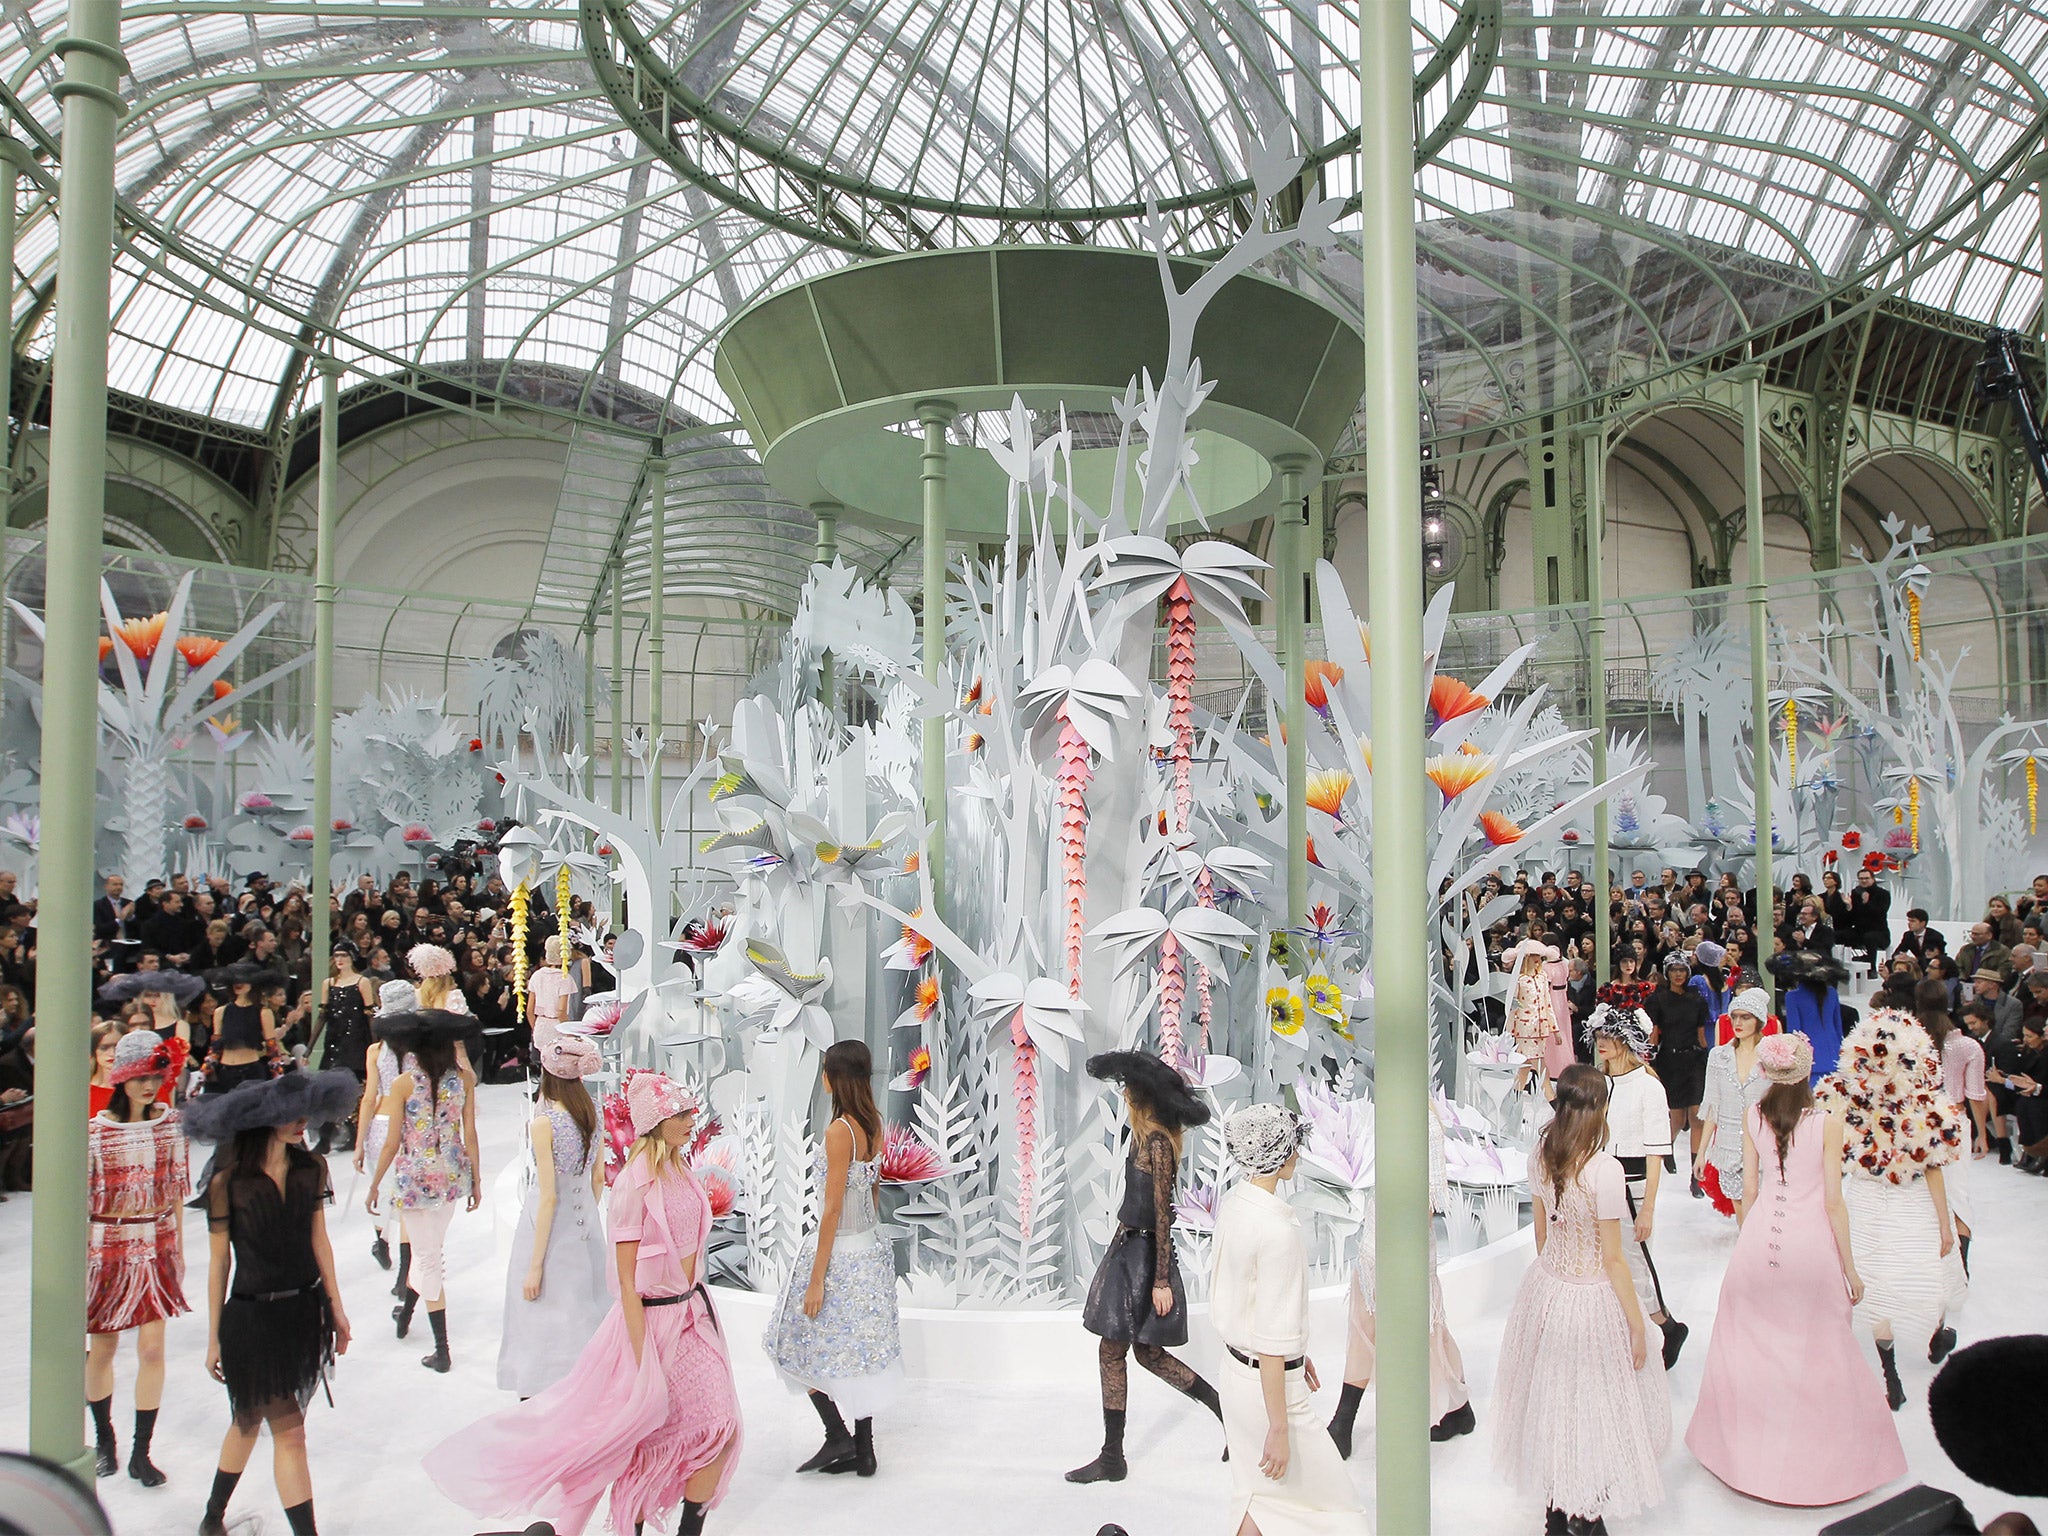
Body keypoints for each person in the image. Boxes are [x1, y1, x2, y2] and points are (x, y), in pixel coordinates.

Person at [425, 1069, 742, 1536]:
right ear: (657, 1121)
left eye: (691, 1110)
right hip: (652, 1326)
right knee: (643, 1442)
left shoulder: (680, 1168)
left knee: (721, 1426)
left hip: (694, 1318)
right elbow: (627, 1282)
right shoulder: (635, 1182)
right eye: (681, 1112)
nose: (693, 1118)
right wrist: (642, 1361)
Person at [1685, 1031, 1903, 1504]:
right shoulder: (1827, 1120)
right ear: (1808, 1071)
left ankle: (1742, 1455)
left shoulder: (1752, 1115)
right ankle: (1820, 1465)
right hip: (1810, 1243)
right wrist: (1852, 1269)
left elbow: (1747, 1191)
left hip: (1759, 1238)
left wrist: (1750, 1240)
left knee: (1751, 1346)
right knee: (1821, 1349)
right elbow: (1833, 1201)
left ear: (1765, 1071)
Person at [1492, 1064, 1669, 1536]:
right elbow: (1614, 1260)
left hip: (1547, 1289)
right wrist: (1638, 1324)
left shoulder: (1540, 1154)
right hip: (1591, 1301)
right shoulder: (1604, 1171)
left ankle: (1557, 1511)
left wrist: (1549, 1284)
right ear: (1600, 1109)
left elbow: (1542, 1233)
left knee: (1553, 1403)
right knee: (1593, 1411)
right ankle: (1584, 1516)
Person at [181, 1069, 358, 1536]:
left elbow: (320, 1242)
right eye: (290, 1115)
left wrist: (336, 1308)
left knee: (247, 1420)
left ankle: (212, 1517)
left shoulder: (311, 1168)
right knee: (288, 1429)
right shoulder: (229, 1182)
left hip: (303, 1311)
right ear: (263, 1121)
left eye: (306, 1111)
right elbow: (219, 1263)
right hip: (251, 1317)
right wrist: (213, 1338)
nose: (302, 1120)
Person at [1207, 1102, 1366, 1536]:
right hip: (1270, 1392)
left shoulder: (1236, 1205)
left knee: (1257, 1500)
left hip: (1237, 1378)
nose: (1298, 1152)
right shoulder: (1277, 1231)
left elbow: (1250, 1303)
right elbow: (1271, 1339)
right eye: (1293, 1143)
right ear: (1277, 1154)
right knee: (1340, 1512)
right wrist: (1279, 1425)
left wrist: (1295, 1350)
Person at [1067, 1050, 1223, 1484]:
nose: (1125, 1095)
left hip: (1143, 1257)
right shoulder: (1146, 1137)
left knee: (1121, 1351)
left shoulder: (1156, 1142)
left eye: (1129, 1090)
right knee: (1144, 1353)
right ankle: (1116, 1455)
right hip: (1130, 1250)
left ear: (1142, 1097)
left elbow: (1162, 1214)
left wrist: (1159, 1280)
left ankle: (1113, 1457)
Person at [766, 1039, 904, 1476]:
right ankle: (863, 1450)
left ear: (837, 1078)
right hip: (870, 1246)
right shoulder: (874, 1124)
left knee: (791, 1342)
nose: (822, 1078)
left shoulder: (838, 1132)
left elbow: (830, 1208)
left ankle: (837, 1436)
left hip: (841, 1252)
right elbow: (874, 1191)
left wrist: (816, 1278)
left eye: (826, 1070)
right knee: (860, 1352)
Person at [1817, 1010, 1967, 1411]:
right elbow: (1933, 1168)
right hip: (1909, 1198)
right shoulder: (1925, 1105)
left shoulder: (1843, 1099)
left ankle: (1891, 1375)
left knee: (1874, 1282)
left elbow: (1827, 1157)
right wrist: (1945, 1225)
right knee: (1927, 1272)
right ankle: (1935, 1335)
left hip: (1865, 1196)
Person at [1327, 1096, 1471, 1459]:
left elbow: (1429, 1197)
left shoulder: (1425, 1124)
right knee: (1365, 1325)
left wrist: (1405, 1254)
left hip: (1405, 1249)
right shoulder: (1389, 1113)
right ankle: (1343, 1423)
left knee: (1427, 1332)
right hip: (1376, 1240)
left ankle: (1456, 1408)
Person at [85, 1030, 191, 1488]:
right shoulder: (93, 1133)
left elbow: (176, 1192)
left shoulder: (171, 1124)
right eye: (142, 1076)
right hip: (105, 1243)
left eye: (157, 1075)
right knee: (103, 1349)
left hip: (157, 1239)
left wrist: (180, 1248)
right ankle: (104, 1439)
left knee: (151, 1349)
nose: (150, 1085)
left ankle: (140, 1452)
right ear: (122, 1078)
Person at [499, 1019, 611, 1398]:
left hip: (548, 1230)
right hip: (586, 1227)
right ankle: (588, 1389)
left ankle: (538, 1392)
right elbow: (598, 1178)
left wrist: (534, 1263)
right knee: (585, 1310)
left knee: (541, 1311)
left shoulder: (545, 1122)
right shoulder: (592, 1112)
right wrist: (586, 1219)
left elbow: (547, 1196)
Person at [365, 1008, 480, 1371]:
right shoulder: (463, 1081)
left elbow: (392, 1143)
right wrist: (477, 1180)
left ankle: (442, 1349)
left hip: (414, 1180)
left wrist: (374, 1184)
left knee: (427, 1256)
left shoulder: (403, 1084)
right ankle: (407, 1314)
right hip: (451, 1177)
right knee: (428, 1251)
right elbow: (470, 1134)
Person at [1585, 986, 1687, 1368]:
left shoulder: (1649, 1087)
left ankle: (1664, 1324)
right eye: (1599, 1035)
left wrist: (1648, 1210)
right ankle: (1624, 1332)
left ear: (1627, 1040)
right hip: (1597, 1179)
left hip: (1633, 1185)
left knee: (1631, 1261)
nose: (1602, 1043)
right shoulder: (1598, 1081)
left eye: (1609, 1036)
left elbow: (1656, 1151)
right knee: (1606, 1260)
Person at [1696, 988, 1779, 1217]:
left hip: (1764, 1147)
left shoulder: (1772, 1057)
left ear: (1759, 1020)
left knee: (1764, 1215)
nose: (1738, 1022)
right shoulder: (1718, 1056)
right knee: (1743, 1218)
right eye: (1735, 1016)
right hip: (1728, 1148)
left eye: (1746, 1017)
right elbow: (1712, 1107)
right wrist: (1701, 1153)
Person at [1922, 982, 1985, 1275]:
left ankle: (1933, 1263)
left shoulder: (1912, 1043)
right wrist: (1983, 1135)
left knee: (1922, 1194)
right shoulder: (1968, 1046)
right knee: (1958, 1193)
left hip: (1918, 1122)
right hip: (1954, 1122)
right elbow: (1975, 1094)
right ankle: (1961, 1268)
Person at [353, 979, 415, 1276]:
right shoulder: (424, 1049)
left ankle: (381, 1242)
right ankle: (405, 1271)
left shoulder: (376, 1051)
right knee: (407, 1196)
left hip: (381, 1123)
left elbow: (368, 1098)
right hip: (413, 1124)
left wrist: (358, 1143)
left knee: (381, 1186)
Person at [1644, 955, 1709, 1191]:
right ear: (1667, 972)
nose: (1678, 974)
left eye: (1682, 970)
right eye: (1674, 970)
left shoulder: (1698, 1000)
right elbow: (1654, 1035)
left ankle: (1696, 1177)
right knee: (1677, 1117)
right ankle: (1666, 1147)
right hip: (1669, 1061)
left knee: (1697, 1114)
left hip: (1694, 1060)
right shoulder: (1657, 1000)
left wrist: (1706, 1058)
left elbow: (1701, 1034)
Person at [311, 944, 376, 1154]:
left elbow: (369, 1017)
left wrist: (376, 1046)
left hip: (356, 1042)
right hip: (334, 1041)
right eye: (336, 955)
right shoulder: (328, 983)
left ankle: (353, 1132)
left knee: (354, 1091)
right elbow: (322, 1015)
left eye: (344, 955)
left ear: (352, 958)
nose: (339, 959)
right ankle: (325, 1137)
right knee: (328, 1091)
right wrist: (310, 1046)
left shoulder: (362, 982)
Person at [202, 962, 288, 1093]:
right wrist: (203, 1073)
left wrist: (278, 1075)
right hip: (226, 1073)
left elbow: (272, 1047)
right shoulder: (221, 1012)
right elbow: (215, 1047)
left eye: (244, 980)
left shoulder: (263, 1012)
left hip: (251, 1072)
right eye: (235, 980)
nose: (238, 983)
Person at [1770, 947, 1847, 1081]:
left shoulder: (1792, 997)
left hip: (1809, 1061)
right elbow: (1838, 1028)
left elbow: (1795, 1033)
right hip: (1834, 1055)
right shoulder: (1832, 993)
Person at [1504, 937, 1571, 1089]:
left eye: (1540, 959)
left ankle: (1516, 1094)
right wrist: (1509, 1032)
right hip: (1525, 1029)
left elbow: (1548, 1005)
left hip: (1541, 1028)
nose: (1538, 962)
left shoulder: (1542, 978)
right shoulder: (1519, 980)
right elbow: (1512, 1007)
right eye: (1534, 959)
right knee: (1540, 1067)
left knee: (1525, 1066)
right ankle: (1551, 1098)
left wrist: (1556, 1030)